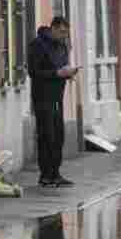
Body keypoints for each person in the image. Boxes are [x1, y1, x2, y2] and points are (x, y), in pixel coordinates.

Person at [28, 17, 79, 188]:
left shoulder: (62, 46)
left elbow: (62, 66)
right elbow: (34, 72)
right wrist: (56, 74)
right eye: (62, 32)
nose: (65, 36)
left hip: (58, 96)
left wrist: (69, 73)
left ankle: (56, 173)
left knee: (59, 135)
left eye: (67, 33)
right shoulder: (37, 44)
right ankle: (45, 175)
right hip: (42, 96)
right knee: (46, 135)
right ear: (53, 29)